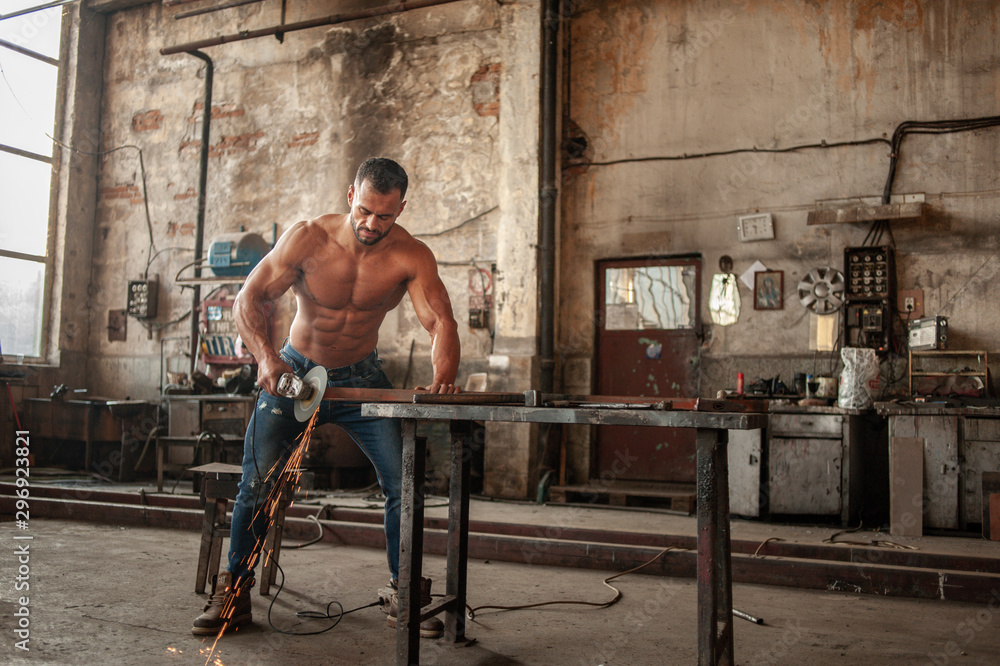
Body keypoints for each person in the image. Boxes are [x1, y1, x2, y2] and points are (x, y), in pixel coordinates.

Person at [192, 157, 461, 638]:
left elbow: (440, 321)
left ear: (401, 208)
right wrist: (266, 359)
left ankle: (405, 593)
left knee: (405, 482)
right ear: (350, 195)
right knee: (256, 484)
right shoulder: (308, 238)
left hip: (362, 379)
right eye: (364, 211)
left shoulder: (411, 255)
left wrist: (443, 377)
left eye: (385, 216)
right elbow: (248, 299)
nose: (371, 224)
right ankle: (234, 593)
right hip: (294, 373)